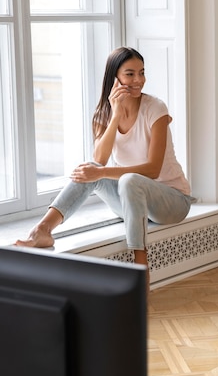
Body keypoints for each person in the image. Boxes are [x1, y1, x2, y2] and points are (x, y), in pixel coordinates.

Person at [15, 47, 192, 290]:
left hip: (172, 201)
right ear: (114, 78)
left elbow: (152, 170)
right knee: (93, 169)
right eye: (130, 74)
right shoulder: (103, 114)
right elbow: (100, 159)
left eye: (141, 72)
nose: (138, 80)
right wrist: (116, 114)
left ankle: (140, 268)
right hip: (133, 202)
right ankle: (42, 230)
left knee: (128, 179)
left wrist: (101, 172)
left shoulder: (156, 109)